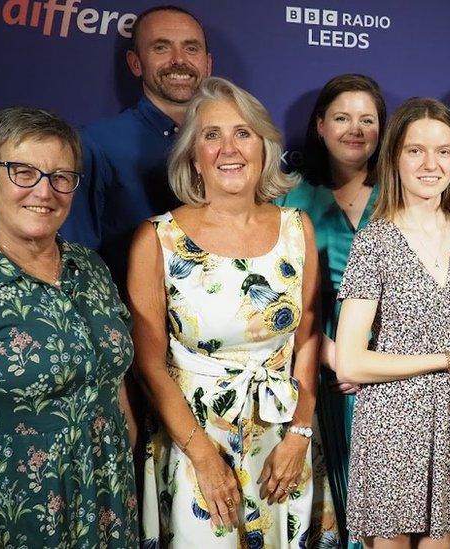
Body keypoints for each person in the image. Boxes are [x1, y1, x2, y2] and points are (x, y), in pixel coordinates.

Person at [129, 77, 332, 547]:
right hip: (196, 442)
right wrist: (202, 456)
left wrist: (300, 434)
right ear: (192, 155)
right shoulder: (156, 239)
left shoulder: (296, 227)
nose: (229, 148)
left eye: (243, 133)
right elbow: (149, 364)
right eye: (211, 135)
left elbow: (306, 336)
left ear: (263, 147)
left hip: (283, 440)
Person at [0, 107, 138, 547]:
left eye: (60, 176)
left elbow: (113, 383)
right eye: (23, 172)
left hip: (109, 509)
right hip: (16, 523)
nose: (44, 191)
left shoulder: (90, 266)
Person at [336, 97, 450, 548]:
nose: (431, 163)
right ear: (396, 156)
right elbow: (351, 363)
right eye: (416, 150)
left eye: (444, 151)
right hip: (392, 424)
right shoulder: (374, 241)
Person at [275, 73, 387, 547]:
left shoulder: (402, 194)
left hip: (395, 371)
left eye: (367, 119)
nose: (354, 129)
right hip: (316, 369)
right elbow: (283, 299)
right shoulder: (289, 198)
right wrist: (332, 353)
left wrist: (372, 363)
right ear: (320, 125)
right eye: (342, 117)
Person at [61, 5, 212, 289]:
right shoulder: (95, 143)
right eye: (161, 48)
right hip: (131, 321)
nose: (179, 60)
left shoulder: (231, 146)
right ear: (135, 63)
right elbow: (75, 257)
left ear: (208, 63)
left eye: (191, 48)